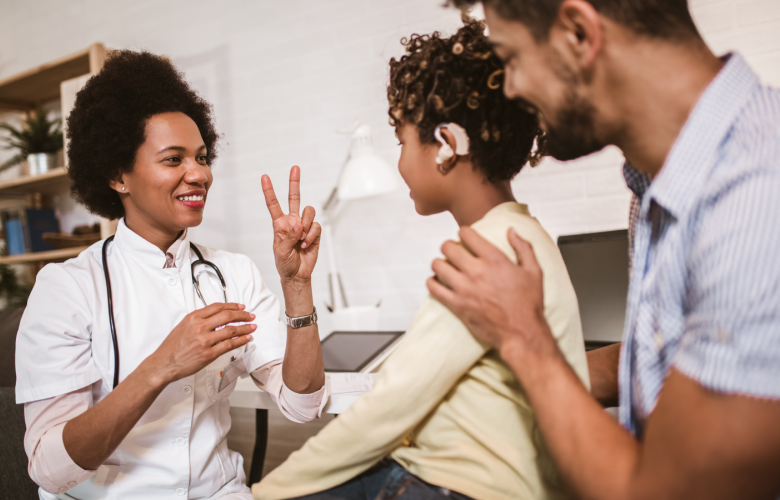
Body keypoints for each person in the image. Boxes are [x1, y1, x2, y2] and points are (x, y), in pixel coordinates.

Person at [428, 0, 780, 499]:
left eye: (511, 59)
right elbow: (675, 353)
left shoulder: (757, 200)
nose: (509, 88)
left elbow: (660, 491)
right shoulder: (661, 183)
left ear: (578, 34)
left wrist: (526, 340)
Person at [254, 18, 588, 500]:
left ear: (448, 146)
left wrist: (262, 493)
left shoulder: (486, 259)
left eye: (402, 141)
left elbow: (386, 409)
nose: (400, 161)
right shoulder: (525, 238)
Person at [15, 50, 327, 500]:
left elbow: (302, 404)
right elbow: (49, 468)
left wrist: (298, 287)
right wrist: (162, 365)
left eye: (201, 157)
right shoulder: (67, 288)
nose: (198, 173)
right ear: (118, 174)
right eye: (173, 159)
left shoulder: (233, 272)